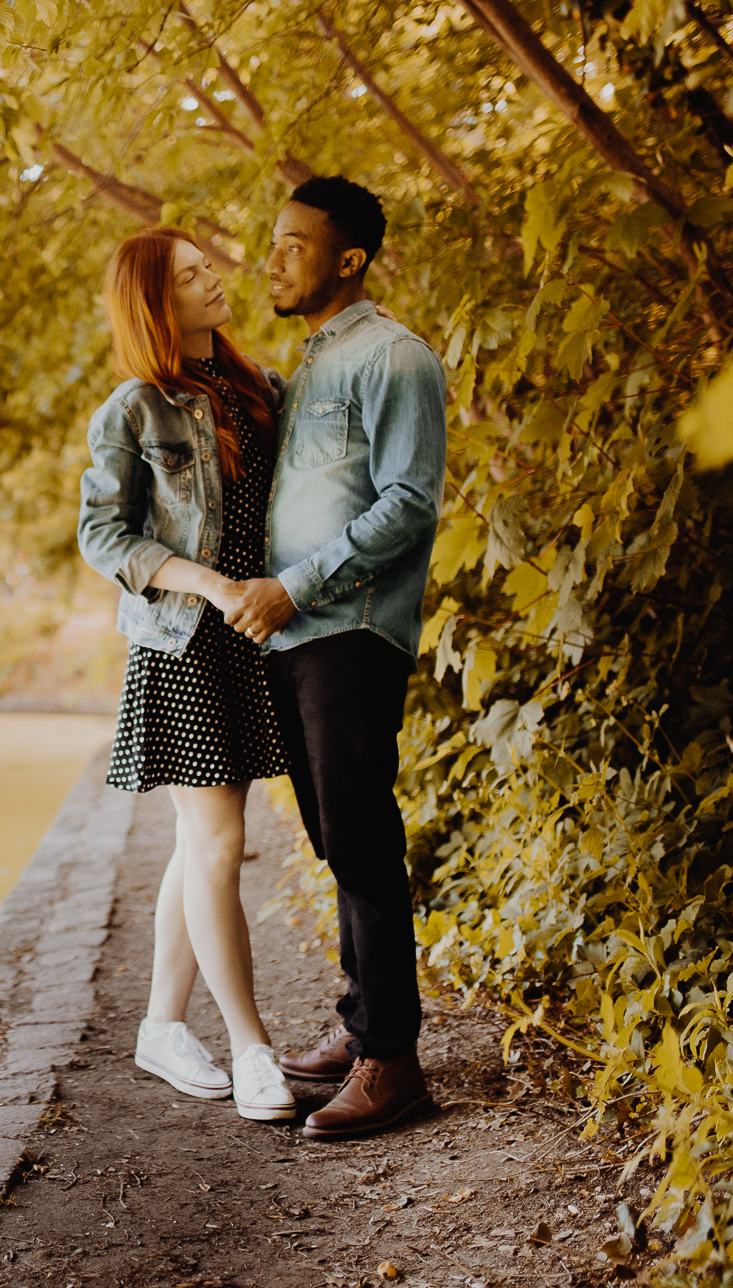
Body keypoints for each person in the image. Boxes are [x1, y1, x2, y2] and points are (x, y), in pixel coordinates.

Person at [221, 176, 448, 1140]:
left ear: (347, 258)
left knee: (360, 836)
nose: (272, 257)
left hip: (348, 626)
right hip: (300, 635)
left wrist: (295, 586)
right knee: (334, 836)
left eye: (293, 243)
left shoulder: (394, 357)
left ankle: (393, 1063)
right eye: (271, 242)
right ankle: (364, 1033)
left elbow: (406, 503)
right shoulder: (312, 362)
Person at [76, 226, 298, 1124]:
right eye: (192, 275)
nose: (217, 279)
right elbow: (102, 535)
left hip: (257, 638)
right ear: (155, 303)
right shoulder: (133, 409)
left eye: (210, 266)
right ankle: (252, 1047)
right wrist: (207, 581)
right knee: (216, 842)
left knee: (197, 843)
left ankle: (162, 1024)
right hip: (183, 645)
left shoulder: (262, 392)